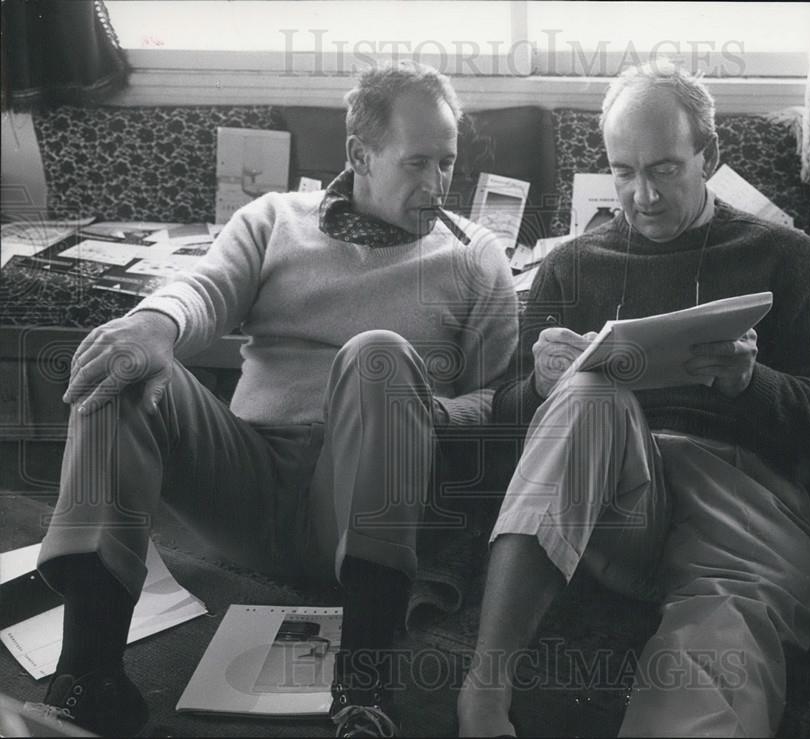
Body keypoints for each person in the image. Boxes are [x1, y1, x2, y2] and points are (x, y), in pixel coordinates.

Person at [27, 61, 518, 737]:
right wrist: (152, 325)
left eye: (448, 163)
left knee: (379, 355)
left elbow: (500, 403)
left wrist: (419, 416)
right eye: (418, 163)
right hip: (249, 479)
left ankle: (365, 687)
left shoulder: (477, 258)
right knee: (126, 364)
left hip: (370, 496)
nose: (437, 185)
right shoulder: (275, 219)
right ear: (360, 155)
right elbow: (203, 290)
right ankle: (88, 676)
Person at [457, 61, 810, 737]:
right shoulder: (570, 266)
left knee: (707, 685)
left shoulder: (783, 256)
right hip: (613, 504)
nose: (642, 194)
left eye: (665, 168)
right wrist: (538, 387)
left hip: (740, 508)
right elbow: (508, 435)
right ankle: (483, 691)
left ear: (710, 156)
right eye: (624, 171)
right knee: (586, 392)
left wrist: (749, 383)